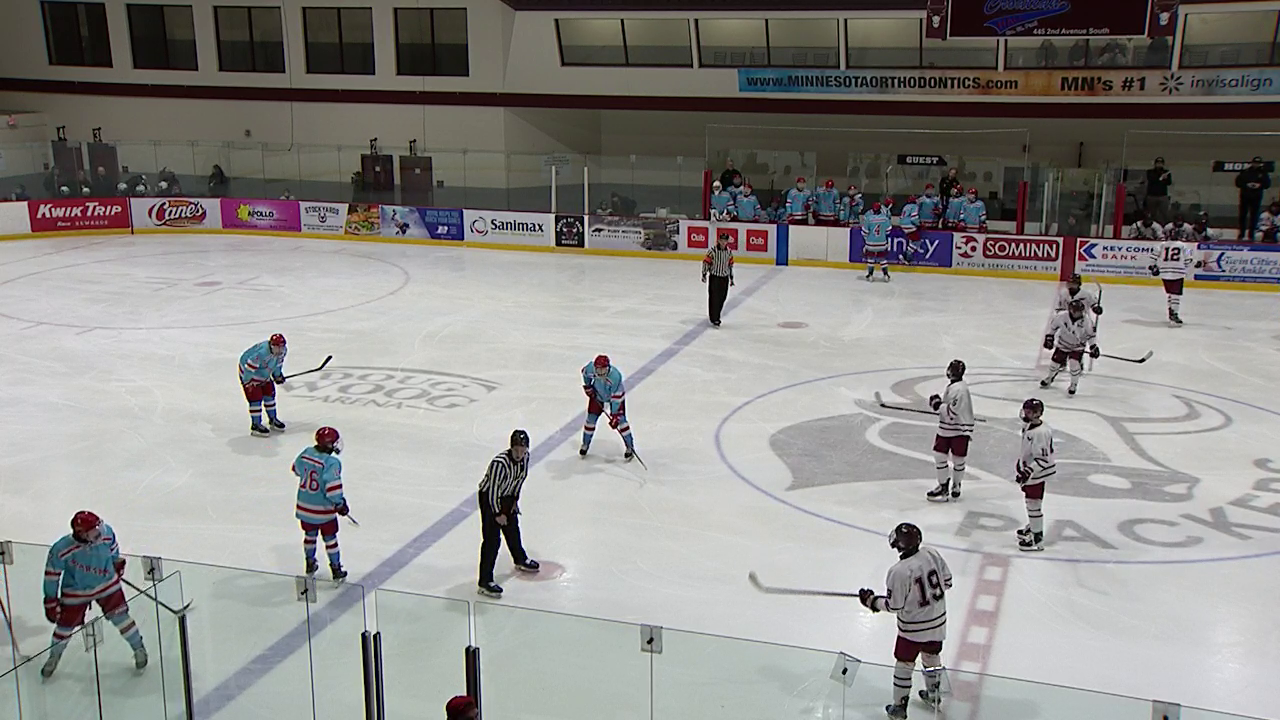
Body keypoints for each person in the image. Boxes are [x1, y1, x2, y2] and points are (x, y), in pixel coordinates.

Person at [858, 522, 952, 719]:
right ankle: (934, 695)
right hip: (937, 622)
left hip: (912, 630)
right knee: (932, 657)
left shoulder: (898, 571)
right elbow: (948, 581)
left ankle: (900, 707)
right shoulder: (931, 553)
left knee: (904, 664)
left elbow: (894, 606)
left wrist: (872, 601)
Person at [41, 511, 148, 678]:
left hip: (106, 584)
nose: (100, 532)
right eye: (94, 530)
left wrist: (116, 563)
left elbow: (113, 550)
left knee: (122, 618)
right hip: (75, 592)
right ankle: (54, 656)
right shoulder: (61, 549)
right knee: (64, 627)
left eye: (99, 527)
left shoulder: (106, 534)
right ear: (81, 533)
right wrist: (51, 600)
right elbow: (51, 576)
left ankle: (139, 648)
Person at [477, 429, 538, 597]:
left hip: (507, 496)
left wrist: (513, 503)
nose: (519, 453)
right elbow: (493, 491)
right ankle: (485, 581)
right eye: (516, 449)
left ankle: (520, 559)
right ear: (511, 448)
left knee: (513, 529)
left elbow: (519, 480)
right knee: (492, 541)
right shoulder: (500, 463)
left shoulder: (526, 458)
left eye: (522, 449)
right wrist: (498, 513)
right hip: (490, 499)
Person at [293, 427, 349, 582]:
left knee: (309, 536)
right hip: (323, 511)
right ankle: (336, 568)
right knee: (330, 538)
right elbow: (332, 488)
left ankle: (309, 562)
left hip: (304, 508)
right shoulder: (332, 463)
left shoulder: (306, 453)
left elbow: (296, 469)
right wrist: (340, 504)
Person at [925, 360, 972, 502]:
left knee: (958, 459)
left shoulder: (960, 390)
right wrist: (940, 406)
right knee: (939, 455)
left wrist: (938, 405)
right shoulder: (955, 386)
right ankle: (943, 485)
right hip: (946, 428)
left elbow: (953, 411)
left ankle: (956, 485)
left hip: (959, 429)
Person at [1015, 398, 1054, 552]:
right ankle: (1033, 526)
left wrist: (1028, 471)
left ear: (1038, 414)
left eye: (1029, 411)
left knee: (1033, 503)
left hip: (1037, 474)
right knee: (1030, 502)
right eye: (1025, 410)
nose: (1025, 413)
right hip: (1031, 472)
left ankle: (1037, 538)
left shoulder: (1041, 433)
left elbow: (1043, 459)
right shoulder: (1030, 426)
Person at [580, 355, 636, 460]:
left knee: (621, 422)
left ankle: (630, 446)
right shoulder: (590, 368)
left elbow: (615, 399)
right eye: (598, 370)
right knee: (590, 420)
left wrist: (615, 416)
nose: (600, 373)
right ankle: (585, 444)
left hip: (615, 397)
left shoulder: (615, 377)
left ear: (608, 368)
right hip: (597, 395)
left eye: (603, 370)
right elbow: (584, 373)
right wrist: (588, 386)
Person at [1040, 299, 1099, 396]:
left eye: (1081, 311)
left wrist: (1093, 347)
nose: (1079, 313)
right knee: (1054, 364)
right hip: (1063, 344)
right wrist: (1049, 338)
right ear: (1071, 310)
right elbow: (1053, 328)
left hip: (1077, 347)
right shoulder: (1061, 317)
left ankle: (1073, 385)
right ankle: (1049, 378)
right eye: (1077, 311)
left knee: (1074, 364)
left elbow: (1091, 335)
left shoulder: (1087, 321)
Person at [1148, 233, 1202, 326]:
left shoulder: (1161, 245)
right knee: (1175, 295)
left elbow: (1153, 258)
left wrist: (1153, 267)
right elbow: (1188, 259)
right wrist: (1197, 263)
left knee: (1171, 294)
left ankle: (1171, 310)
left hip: (1165, 272)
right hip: (1178, 272)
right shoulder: (1184, 246)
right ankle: (1174, 314)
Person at [239, 334, 288, 436]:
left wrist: (277, 375)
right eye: (276, 347)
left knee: (269, 395)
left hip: (263, 373)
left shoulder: (283, 352)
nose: (279, 350)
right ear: (271, 346)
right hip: (249, 373)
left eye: (281, 347)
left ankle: (273, 419)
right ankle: (255, 425)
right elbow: (248, 367)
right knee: (255, 398)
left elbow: (277, 364)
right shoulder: (261, 353)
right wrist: (247, 382)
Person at [702, 230, 734, 327]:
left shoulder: (729, 252)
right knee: (714, 298)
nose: (723, 242)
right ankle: (714, 318)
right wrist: (704, 274)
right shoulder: (712, 251)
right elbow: (706, 262)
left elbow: (730, 265)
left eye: (725, 241)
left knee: (722, 298)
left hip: (724, 278)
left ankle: (716, 315)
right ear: (718, 241)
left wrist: (732, 278)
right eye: (722, 240)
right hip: (715, 277)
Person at [1235, 157, 1271, 239]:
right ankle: (1241, 233)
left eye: (1258, 163)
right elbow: (1238, 182)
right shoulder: (1245, 172)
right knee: (1242, 215)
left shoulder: (1263, 173)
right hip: (1245, 196)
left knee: (1254, 215)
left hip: (1256, 197)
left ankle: (1251, 234)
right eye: (1255, 163)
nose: (1256, 164)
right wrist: (1247, 185)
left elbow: (1267, 184)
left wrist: (1259, 185)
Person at [861, 201, 892, 282]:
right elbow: (888, 230)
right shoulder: (885, 218)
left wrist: (867, 239)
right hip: (882, 243)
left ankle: (870, 275)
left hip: (871, 243)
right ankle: (886, 275)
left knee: (871, 258)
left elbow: (865, 232)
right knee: (882, 259)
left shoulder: (869, 219)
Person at [1144, 157, 1173, 224]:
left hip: (1163, 195)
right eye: (1158, 163)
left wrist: (1165, 178)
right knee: (1151, 213)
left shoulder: (1166, 172)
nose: (1159, 164)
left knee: (1164, 213)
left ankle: (1164, 225)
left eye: (1161, 163)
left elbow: (1169, 183)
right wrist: (1160, 177)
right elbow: (1151, 179)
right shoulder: (1150, 172)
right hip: (1152, 196)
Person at [897, 195, 922, 264]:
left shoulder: (905, 206)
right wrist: (919, 224)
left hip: (903, 224)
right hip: (909, 225)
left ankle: (907, 257)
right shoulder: (914, 207)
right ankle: (905, 255)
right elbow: (914, 218)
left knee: (913, 241)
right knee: (917, 241)